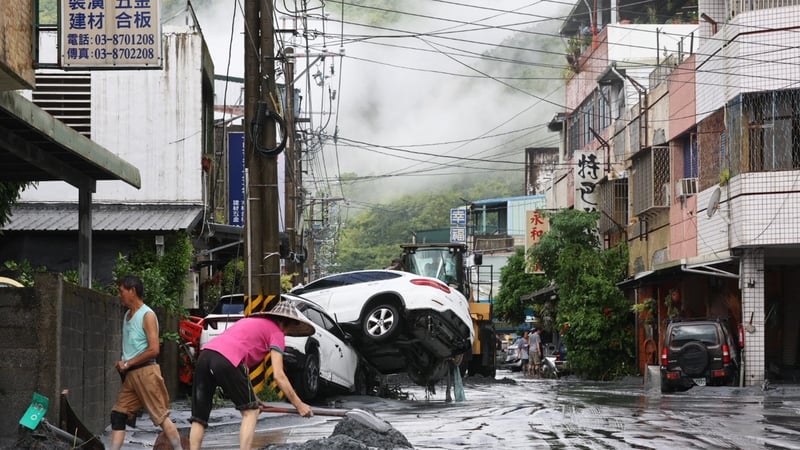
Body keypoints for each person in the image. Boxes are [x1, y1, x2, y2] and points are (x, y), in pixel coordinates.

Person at [189, 300, 316, 450]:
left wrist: (253, 398)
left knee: (199, 418)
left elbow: (241, 375)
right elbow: (278, 375)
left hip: (206, 356)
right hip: (227, 359)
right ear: (288, 323)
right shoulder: (277, 332)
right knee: (251, 411)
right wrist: (299, 405)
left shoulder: (250, 321)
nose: (288, 333)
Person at [109, 275, 183, 450]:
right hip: (131, 376)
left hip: (146, 373)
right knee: (118, 415)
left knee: (161, 417)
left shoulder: (147, 315)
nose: (120, 295)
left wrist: (127, 363)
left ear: (132, 291)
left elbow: (154, 349)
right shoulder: (127, 315)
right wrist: (125, 364)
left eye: (122, 291)